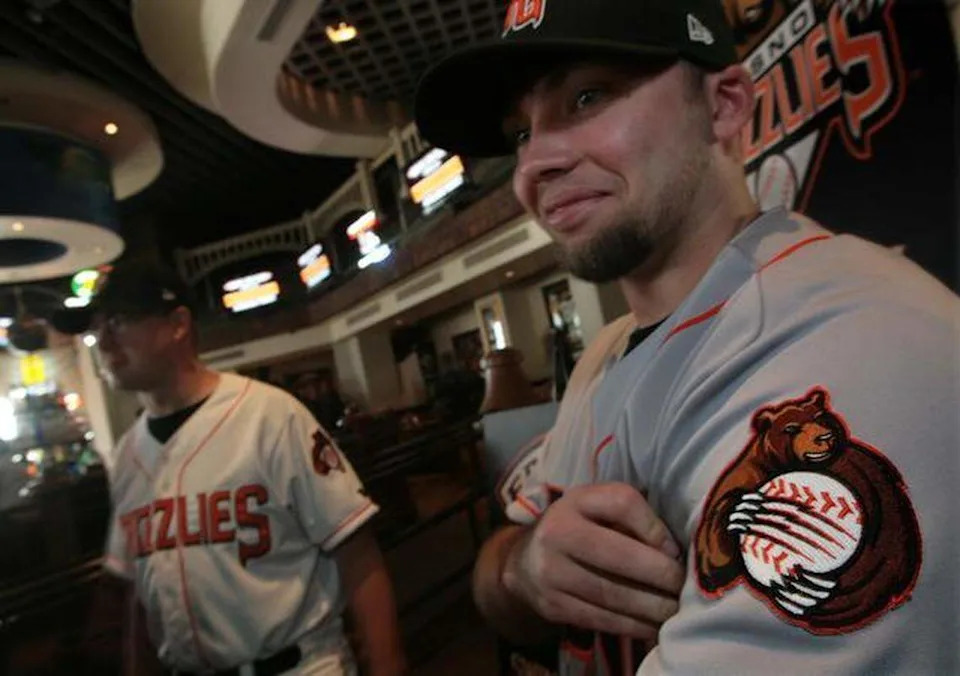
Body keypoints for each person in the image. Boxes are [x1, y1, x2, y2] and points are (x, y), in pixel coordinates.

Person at [414, 0, 960, 673]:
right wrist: (523, 569)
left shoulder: (858, 346)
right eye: (520, 132)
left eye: (587, 96)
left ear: (725, 105)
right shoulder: (602, 356)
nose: (535, 166)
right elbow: (502, 572)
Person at [58, 263, 405, 675]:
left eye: (119, 320)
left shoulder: (269, 415)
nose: (104, 340)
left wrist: (388, 665)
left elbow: (357, 553)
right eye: (97, 327)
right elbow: (133, 594)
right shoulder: (128, 455)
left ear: (177, 324)